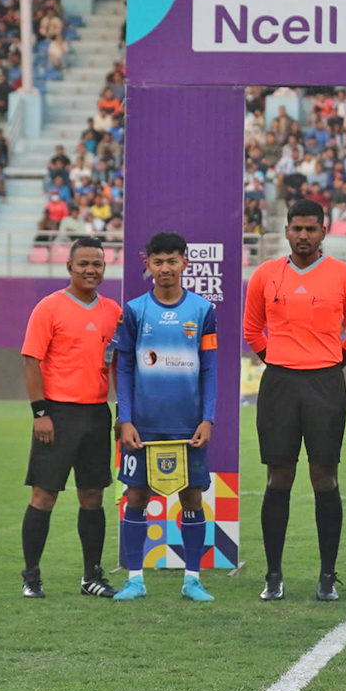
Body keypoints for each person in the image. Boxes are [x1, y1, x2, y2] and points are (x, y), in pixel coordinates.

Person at [243, 199, 346, 601]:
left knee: (324, 476)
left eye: (311, 229)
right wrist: (280, 360)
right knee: (278, 478)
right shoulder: (265, 275)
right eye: (296, 228)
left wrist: (329, 364)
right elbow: (252, 329)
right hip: (279, 384)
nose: (303, 236)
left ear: (323, 232)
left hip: (325, 384)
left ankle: (327, 575)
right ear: (286, 231)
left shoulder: (343, 275)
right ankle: (273, 575)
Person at [111, 232, 219, 602]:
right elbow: (124, 367)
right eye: (158, 262)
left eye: (172, 261)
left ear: (185, 262)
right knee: (136, 495)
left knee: (192, 497)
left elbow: (210, 368)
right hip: (143, 425)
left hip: (188, 425)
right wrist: (126, 419)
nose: (165, 268)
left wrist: (207, 418)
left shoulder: (202, 310)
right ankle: (134, 580)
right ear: (148, 265)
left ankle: (193, 580)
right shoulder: (134, 310)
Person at [19, 237, 123, 598]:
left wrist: (122, 412)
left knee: (92, 496)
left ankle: (91, 577)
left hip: (96, 413)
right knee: (43, 496)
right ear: (70, 267)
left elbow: (118, 365)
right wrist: (40, 413)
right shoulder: (49, 308)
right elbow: (31, 361)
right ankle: (31, 576)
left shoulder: (112, 311)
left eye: (97, 264)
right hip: (57, 414)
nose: (90, 270)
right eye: (84, 264)